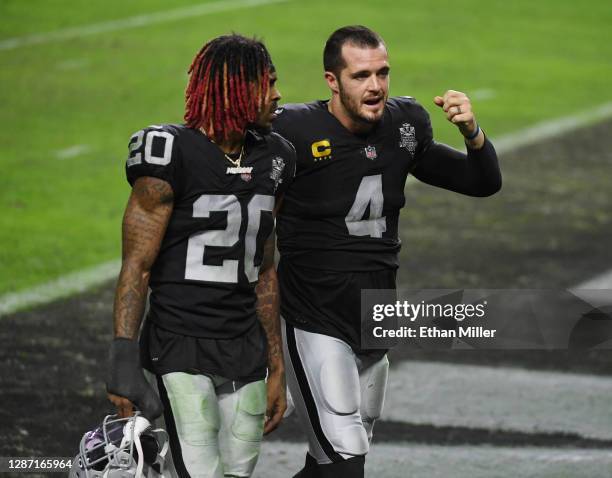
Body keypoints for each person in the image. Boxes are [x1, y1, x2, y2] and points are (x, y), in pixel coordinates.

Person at [273, 25, 502, 477]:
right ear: (332, 80)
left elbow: (482, 182)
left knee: (329, 464)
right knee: (345, 458)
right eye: (360, 76)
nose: (375, 86)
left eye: (382, 73)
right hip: (313, 315)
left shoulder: (405, 124)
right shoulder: (293, 132)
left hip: (375, 315)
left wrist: (473, 133)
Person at [106, 34, 295, 478]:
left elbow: (265, 267)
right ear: (237, 88)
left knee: (238, 471)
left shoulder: (276, 157)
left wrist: (276, 363)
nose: (277, 94)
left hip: (243, 343)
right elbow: (138, 265)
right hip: (180, 340)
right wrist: (122, 358)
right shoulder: (169, 153)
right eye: (268, 83)